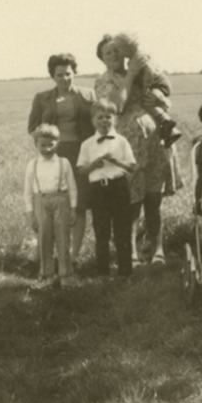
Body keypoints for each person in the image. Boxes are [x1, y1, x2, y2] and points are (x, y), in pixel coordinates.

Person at [95, 35, 182, 265]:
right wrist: (131, 75)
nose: (114, 55)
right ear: (102, 59)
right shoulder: (104, 81)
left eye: (116, 50)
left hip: (155, 142)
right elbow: (116, 106)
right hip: (127, 147)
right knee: (131, 201)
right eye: (108, 53)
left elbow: (164, 94)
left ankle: (158, 251)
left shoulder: (144, 71)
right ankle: (130, 253)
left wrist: (158, 98)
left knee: (154, 198)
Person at [27, 53, 96, 263]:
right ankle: (46, 253)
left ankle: (73, 255)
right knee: (51, 201)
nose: (64, 78)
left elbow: (98, 123)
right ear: (52, 76)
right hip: (53, 156)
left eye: (68, 74)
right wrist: (47, 139)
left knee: (79, 203)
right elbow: (32, 127)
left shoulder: (88, 95)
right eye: (59, 75)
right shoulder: (42, 98)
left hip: (81, 154)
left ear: (75, 73)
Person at [77, 99, 137, 277]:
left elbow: (132, 167)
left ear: (115, 119)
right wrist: (94, 165)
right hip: (98, 190)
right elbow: (81, 170)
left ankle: (125, 272)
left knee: (122, 230)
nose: (104, 121)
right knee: (101, 231)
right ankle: (102, 272)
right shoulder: (87, 144)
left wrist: (116, 161)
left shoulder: (122, 141)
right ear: (93, 120)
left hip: (119, 187)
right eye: (100, 117)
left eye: (108, 117)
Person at [23, 124, 78, 286]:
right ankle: (47, 275)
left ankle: (65, 275)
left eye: (51, 144)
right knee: (44, 237)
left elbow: (72, 187)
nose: (47, 149)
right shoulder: (32, 164)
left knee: (63, 237)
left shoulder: (64, 163)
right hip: (41, 201)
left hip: (61, 200)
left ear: (58, 143)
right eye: (43, 145)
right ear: (36, 145)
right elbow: (27, 191)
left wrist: (73, 208)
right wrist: (30, 213)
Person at [111, 32, 182, 147]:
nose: (117, 52)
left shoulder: (138, 58)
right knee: (149, 103)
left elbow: (149, 73)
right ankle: (169, 128)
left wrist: (145, 88)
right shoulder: (134, 58)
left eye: (119, 49)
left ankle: (166, 121)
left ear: (127, 48)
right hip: (155, 84)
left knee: (148, 102)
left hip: (158, 85)